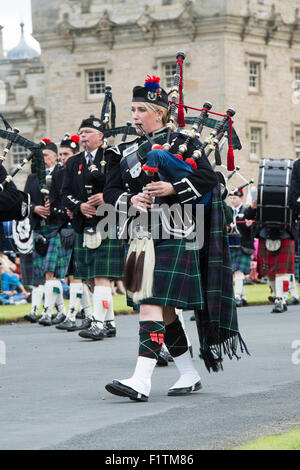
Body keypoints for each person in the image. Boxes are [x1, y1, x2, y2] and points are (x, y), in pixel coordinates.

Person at [103, 75, 246, 402]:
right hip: (139, 234)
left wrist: (172, 188)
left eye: (142, 109)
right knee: (163, 311)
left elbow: (210, 181)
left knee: (150, 302)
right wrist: (131, 201)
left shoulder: (185, 143)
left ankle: (140, 381)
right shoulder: (123, 152)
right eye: (133, 109)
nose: (135, 115)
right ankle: (188, 372)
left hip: (177, 230)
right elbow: (110, 192)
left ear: (160, 113)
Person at [61, 116, 124, 340]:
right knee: (90, 277)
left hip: (107, 221)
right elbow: (65, 193)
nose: (84, 137)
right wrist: (80, 206)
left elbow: (122, 186)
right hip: (84, 223)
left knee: (102, 275)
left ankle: (97, 323)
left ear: (100, 135)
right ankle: (109, 321)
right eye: (82, 132)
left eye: (88, 132)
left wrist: (105, 196)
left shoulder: (112, 158)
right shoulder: (74, 162)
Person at [23, 138, 70, 325]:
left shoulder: (62, 174)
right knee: (43, 274)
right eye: (40, 156)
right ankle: (61, 312)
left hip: (56, 227)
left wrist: (54, 209)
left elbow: (66, 197)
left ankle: (46, 313)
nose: (42, 159)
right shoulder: (32, 177)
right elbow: (25, 200)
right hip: (39, 228)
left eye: (45, 155)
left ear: (55, 156)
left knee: (51, 273)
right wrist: (35, 208)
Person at [51, 133, 93, 332]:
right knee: (74, 274)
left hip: (82, 224)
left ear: (75, 153)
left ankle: (79, 315)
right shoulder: (58, 174)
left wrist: (75, 209)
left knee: (81, 275)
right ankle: (86, 315)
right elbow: (55, 200)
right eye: (60, 154)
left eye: (66, 154)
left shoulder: (82, 167)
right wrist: (66, 210)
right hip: (66, 228)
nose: (62, 158)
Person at [228, 189, 255, 307]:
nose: (233, 200)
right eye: (231, 198)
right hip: (231, 244)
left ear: (241, 198)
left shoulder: (246, 211)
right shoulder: (228, 211)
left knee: (238, 271)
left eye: (235, 198)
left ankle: (237, 296)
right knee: (235, 272)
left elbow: (252, 230)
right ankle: (243, 297)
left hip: (243, 245)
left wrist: (250, 226)